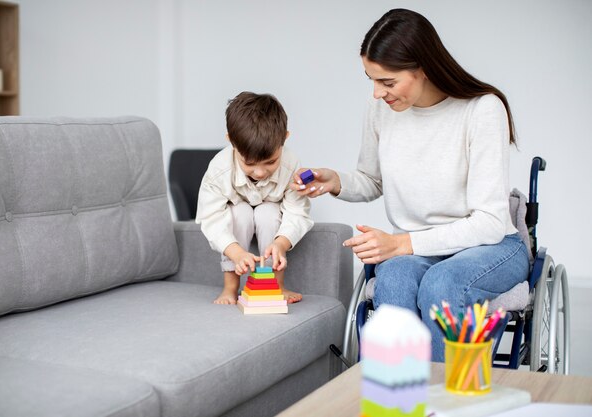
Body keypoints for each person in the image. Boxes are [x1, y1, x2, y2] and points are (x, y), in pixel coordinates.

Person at [291, 9, 529, 361]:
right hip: (417, 248)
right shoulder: (382, 111)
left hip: (490, 246)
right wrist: (337, 181)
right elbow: (372, 180)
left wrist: (401, 242)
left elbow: (490, 223)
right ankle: (400, 403)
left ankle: (445, 404)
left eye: (387, 82)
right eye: (371, 80)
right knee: (395, 281)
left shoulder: (482, 110)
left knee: (441, 284)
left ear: (424, 69)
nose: (376, 93)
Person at [196, 91, 313, 305]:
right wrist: (237, 253)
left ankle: (276, 285)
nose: (260, 173)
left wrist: (281, 243)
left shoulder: (291, 164)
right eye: (249, 164)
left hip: (270, 212)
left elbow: (297, 211)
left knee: (267, 213)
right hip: (236, 213)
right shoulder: (218, 169)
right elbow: (211, 219)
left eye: (270, 162)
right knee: (240, 213)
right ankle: (230, 288)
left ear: (284, 139)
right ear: (232, 142)